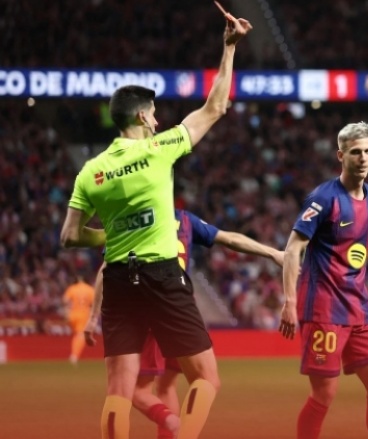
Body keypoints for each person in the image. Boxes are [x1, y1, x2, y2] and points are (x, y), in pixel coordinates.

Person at [59, 10, 252, 439]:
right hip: (162, 274)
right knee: (206, 378)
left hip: (118, 279)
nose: (159, 120)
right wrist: (229, 47)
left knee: (118, 391)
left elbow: (69, 236)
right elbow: (216, 106)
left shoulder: (90, 171)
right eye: (155, 114)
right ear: (144, 117)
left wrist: (111, 233)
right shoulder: (158, 149)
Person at [84, 209, 284, 439]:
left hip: (147, 304)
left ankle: (170, 422)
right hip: (181, 308)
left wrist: (93, 317)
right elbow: (229, 238)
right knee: (178, 383)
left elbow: (106, 267)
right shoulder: (185, 219)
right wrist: (272, 252)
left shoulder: (134, 220)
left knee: (130, 390)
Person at [278, 122, 368, 439]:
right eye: (356, 152)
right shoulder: (323, 198)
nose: (363, 158)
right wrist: (289, 301)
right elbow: (293, 249)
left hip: (360, 309)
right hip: (324, 310)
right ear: (341, 155)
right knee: (324, 394)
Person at [62, 274, 96, 365]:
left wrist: (67, 311)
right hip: (83, 315)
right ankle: (74, 356)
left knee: (76, 335)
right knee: (81, 335)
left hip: (72, 314)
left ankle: (73, 355)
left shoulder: (72, 288)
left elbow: (65, 300)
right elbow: (95, 303)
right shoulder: (90, 289)